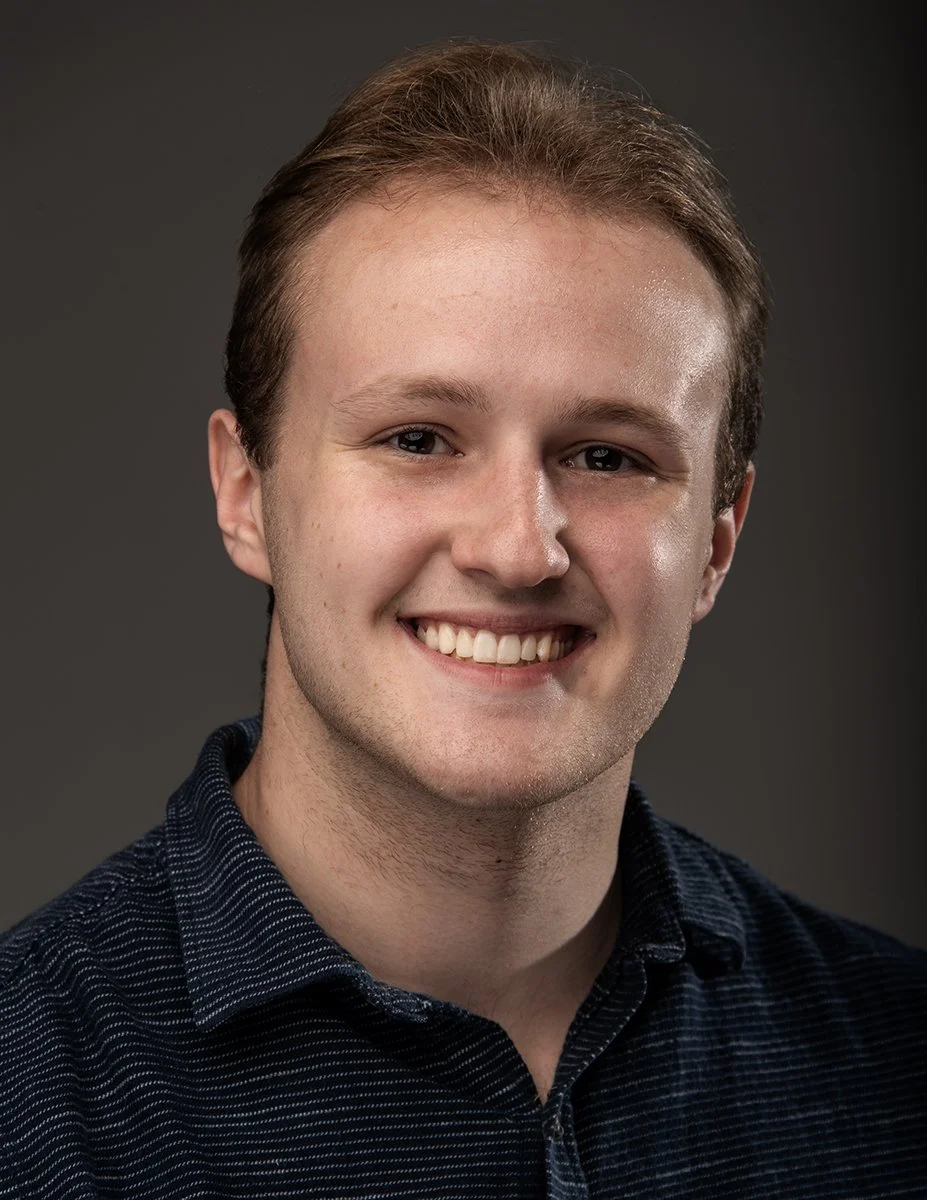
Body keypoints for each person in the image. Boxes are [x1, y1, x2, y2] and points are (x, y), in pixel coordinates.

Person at [1, 39, 923, 1200]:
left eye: (607, 455)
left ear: (718, 543)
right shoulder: (24, 1100)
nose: (516, 548)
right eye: (418, 439)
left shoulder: (897, 1063)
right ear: (247, 497)